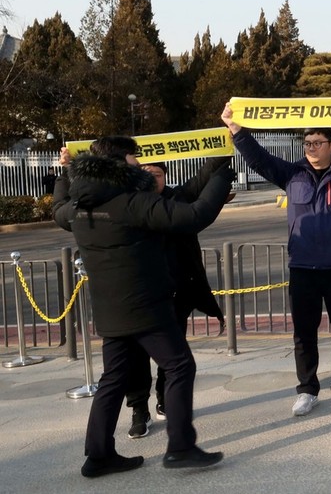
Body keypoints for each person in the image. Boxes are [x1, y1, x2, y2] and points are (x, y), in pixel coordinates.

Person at [53, 136, 232, 478]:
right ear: (121, 163)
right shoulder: (131, 204)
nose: (139, 164)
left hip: (109, 312)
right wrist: (223, 175)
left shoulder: (79, 209)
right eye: (134, 158)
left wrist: (64, 174)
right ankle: (180, 447)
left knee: (113, 378)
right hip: (147, 307)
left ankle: (99, 455)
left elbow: (57, 206)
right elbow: (195, 215)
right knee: (179, 366)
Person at [221, 101, 331, 416]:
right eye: (307, 143)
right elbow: (260, 159)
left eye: (317, 143)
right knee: (304, 333)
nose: (311, 148)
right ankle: (307, 389)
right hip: (303, 269)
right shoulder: (292, 175)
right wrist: (236, 130)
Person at [124, 159, 231, 439]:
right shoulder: (126, 204)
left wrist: (225, 145)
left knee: (171, 355)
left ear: (165, 177)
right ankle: (138, 409)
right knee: (136, 357)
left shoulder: (177, 199)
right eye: (145, 173)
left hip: (175, 294)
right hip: (140, 296)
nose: (151, 179)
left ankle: (164, 398)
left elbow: (203, 177)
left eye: (157, 174)